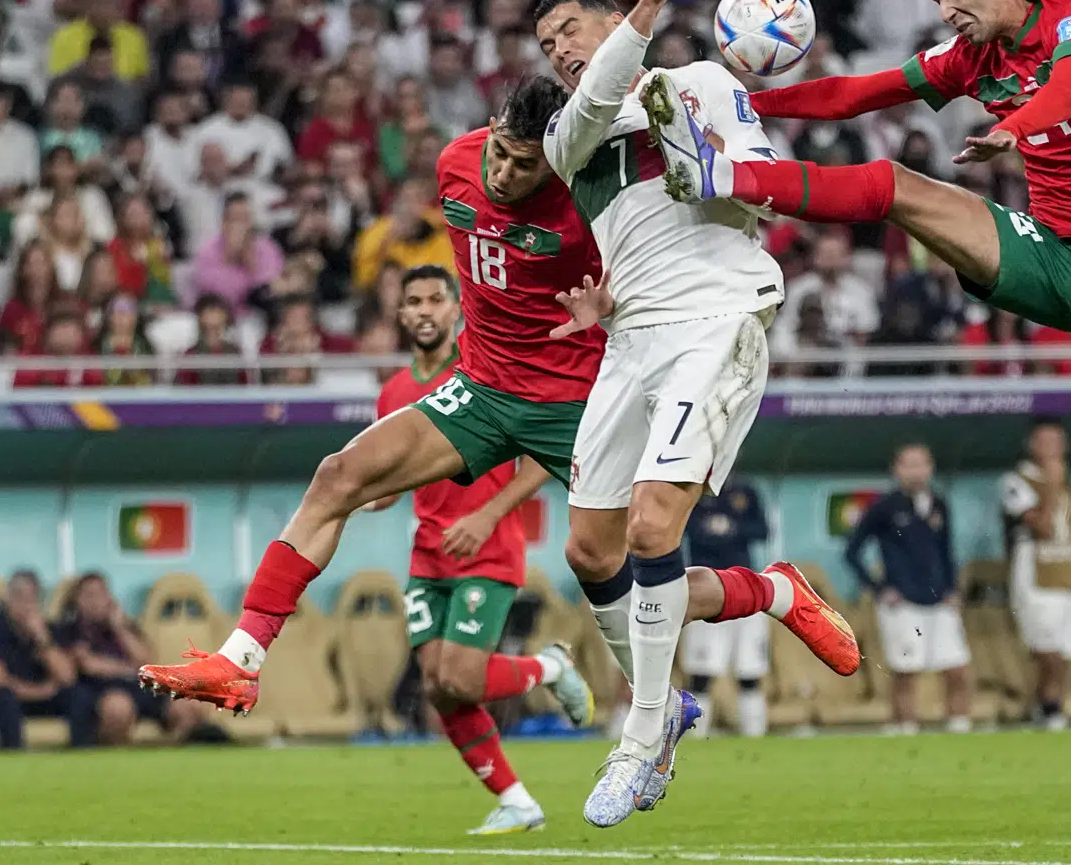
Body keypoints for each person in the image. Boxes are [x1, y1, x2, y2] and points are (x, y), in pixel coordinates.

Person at [138, 78, 853, 806]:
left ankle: (769, 590)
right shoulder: (455, 162)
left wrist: (604, 306)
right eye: (504, 156)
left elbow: (655, 289)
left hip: (574, 402)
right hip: (480, 388)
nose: (508, 176)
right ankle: (241, 656)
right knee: (338, 475)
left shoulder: (587, 208)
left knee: (630, 570)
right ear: (489, 129)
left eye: (528, 166)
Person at [649, 0, 1071, 519]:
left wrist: (1011, 129)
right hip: (1047, 248)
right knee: (898, 186)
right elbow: (855, 94)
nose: (945, 12)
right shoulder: (970, 57)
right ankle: (722, 177)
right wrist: (744, 103)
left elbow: (1070, 88)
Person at [533, 0, 858, 827]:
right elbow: (600, 100)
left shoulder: (706, 81)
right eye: (545, 41)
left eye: (569, 30)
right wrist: (646, 7)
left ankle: (642, 736)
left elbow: (759, 190)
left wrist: (711, 163)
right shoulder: (572, 132)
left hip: (717, 317)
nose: (557, 48)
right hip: (632, 337)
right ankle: (772, 593)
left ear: (605, 27)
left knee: (650, 527)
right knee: (593, 552)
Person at [366, 264, 590, 836]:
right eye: (411, 301)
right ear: (400, 314)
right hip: (427, 555)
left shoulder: (485, 368)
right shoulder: (392, 393)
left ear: (456, 306)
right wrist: (377, 494)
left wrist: (488, 512)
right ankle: (517, 801)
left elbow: (547, 447)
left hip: (488, 547)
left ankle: (551, 666)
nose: (422, 310)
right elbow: (399, 470)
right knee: (438, 687)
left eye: (434, 299)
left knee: (461, 679)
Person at [845, 444, 972, 735]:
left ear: (930, 467)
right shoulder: (884, 507)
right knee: (906, 671)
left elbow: (946, 551)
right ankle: (905, 730)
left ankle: (959, 728)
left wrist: (953, 589)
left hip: (940, 600)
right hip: (902, 603)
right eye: (908, 465)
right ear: (896, 469)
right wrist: (880, 588)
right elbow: (851, 552)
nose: (916, 472)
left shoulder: (939, 504)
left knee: (956, 670)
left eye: (921, 464)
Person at [56, 572, 207, 745]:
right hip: (103, 690)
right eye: (89, 595)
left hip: (141, 687)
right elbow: (89, 666)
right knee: (119, 708)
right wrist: (128, 668)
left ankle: (173, 759)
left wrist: (119, 628)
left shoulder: (124, 626)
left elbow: (146, 661)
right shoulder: (70, 630)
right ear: (78, 601)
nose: (96, 601)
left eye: (101, 594)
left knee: (188, 706)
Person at [1001, 418, 1071, 731]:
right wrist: (1051, 485)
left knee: (1063, 651)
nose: (1052, 449)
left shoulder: (1068, 481)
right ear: (1031, 445)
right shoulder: (1016, 480)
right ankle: (1048, 711)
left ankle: (1049, 710)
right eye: (1044, 441)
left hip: (1066, 573)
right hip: (1035, 574)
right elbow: (1043, 526)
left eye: (1057, 442)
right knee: (1045, 650)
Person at [679, 476, 772, 739]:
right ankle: (694, 737)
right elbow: (688, 531)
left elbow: (761, 531)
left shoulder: (747, 491)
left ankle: (755, 734)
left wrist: (728, 529)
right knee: (701, 672)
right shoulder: (693, 491)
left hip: (746, 589)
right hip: (704, 590)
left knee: (750, 670)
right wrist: (717, 533)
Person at [0, 571, 93, 750]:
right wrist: (34, 691)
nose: (25, 605)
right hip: (13, 694)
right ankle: (13, 758)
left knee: (80, 696)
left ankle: (81, 756)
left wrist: (42, 638)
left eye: (31, 598)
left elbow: (67, 677)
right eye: (19, 597)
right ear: (8, 599)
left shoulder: (50, 630)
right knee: (4, 698)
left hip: (46, 694)